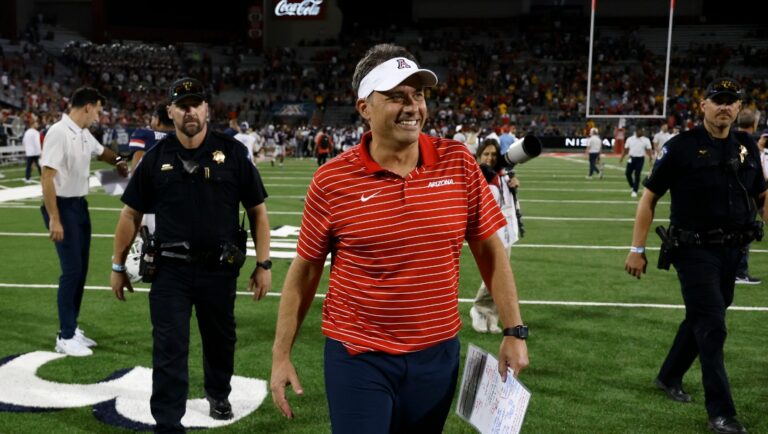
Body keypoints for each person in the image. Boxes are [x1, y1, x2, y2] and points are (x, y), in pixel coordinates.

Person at [270, 43, 529, 434]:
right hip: (359, 356)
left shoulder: (457, 162)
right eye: (396, 96)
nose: (412, 107)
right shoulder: (332, 181)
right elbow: (305, 270)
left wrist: (513, 330)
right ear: (364, 108)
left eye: (418, 95)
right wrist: (280, 354)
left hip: (438, 355)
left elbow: (491, 251)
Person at [109, 77, 272, 433]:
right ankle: (167, 423)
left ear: (206, 110)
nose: (190, 111)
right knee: (169, 348)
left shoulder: (233, 153)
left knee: (220, 340)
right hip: (170, 272)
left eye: (196, 104)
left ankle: (218, 392)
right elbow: (130, 214)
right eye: (182, 105)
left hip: (219, 270)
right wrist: (117, 264)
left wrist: (264, 264)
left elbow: (257, 210)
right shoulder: (155, 158)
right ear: (171, 112)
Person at [624, 77, 766, 434]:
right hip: (693, 250)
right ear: (703, 105)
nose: (724, 107)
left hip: (733, 250)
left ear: (738, 107)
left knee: (702, 317)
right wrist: (637, 249)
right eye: (717, 100)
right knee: (713, 326)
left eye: (731, 101)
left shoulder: (746, 145)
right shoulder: (682, 147)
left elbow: (762, 196)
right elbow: (649, 198)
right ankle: (721, 413)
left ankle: (669, 375)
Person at [40, 86, 129, 357]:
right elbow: (46, 177)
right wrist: (55, 218)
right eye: (98, 110)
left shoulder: (82, 134)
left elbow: (103, 153)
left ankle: (72, 327)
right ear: (88, 106)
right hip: (63, 208)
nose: (98, 116)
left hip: (79, 206)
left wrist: (120, 162)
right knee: (71, 271)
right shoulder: (59, 132)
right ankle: (65, 336)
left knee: (80, 270)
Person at [469, 138, 520, 334]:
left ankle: (492, 315)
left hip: (505, 231)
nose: (489, 158)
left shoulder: (502, 174)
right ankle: (479, 309)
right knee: (494, 273)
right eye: (486, 154)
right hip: (487, 232)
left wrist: (513, 185)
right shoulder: (478, 174)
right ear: (479, 156)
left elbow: (507, 202)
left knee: (500, 273)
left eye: (493, 154)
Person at [733, 109, 762, 285]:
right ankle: (740, 272)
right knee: (744, 235)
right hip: (745, 197)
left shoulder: (728, 139)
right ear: (754, 124)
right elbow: (753, 173)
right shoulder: (750, 144)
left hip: (728, 196)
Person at [129, 104, 175, 172]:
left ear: (158, 120)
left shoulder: (143, 135)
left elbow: (137, 170)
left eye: (152, 118)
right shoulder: (182, 137)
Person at [619, 127, 652, 197]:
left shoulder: (646, 140)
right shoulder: (630, 139)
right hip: (631, 158)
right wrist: (622, 157)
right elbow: (626, 149)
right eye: (641, 131)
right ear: (637, 131)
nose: (642, 132)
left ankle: (635, 190)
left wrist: (650, 158)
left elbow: (649, 150)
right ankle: (632, 186)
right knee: (627, 173)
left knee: (637, 174)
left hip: (640, 159)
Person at [22, 117, 42, 183]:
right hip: (35, 152)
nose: (37, 125)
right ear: (33, 124)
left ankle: (27, 178)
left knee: (28, 166)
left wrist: (26, 149)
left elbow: (23, 142)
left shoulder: (27, 132)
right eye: (36, 123)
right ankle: (43, 177)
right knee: (39, 165)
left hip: (29, 152)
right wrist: (40, 152)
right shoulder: (36, 132)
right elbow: (37, 143)